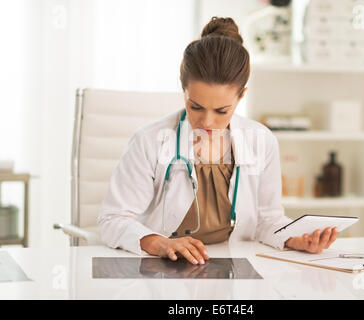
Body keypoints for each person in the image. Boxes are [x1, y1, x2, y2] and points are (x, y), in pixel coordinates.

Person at [98, 16, 338, 265]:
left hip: (235, 265)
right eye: (196, 107)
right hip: (163, 268)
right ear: (183, 89)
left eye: (222, 111)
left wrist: (296, 239)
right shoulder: (149, 141)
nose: (207, 122)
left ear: (242, 95)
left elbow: (268, 220)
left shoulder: (261, 141)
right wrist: (160, 243)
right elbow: (113, 219)